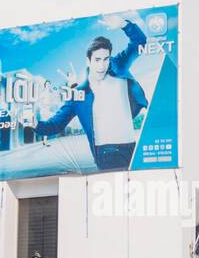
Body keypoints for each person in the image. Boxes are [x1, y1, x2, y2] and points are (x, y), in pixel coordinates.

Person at [34, 16, 148, 171]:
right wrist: (34, 124)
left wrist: (124, 24)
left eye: (105, 59)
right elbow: (55, 125)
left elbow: (140, 42)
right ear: (88, 61)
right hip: (107, 153)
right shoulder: (79, 94)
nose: (102, 65)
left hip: (131, 146)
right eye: (97, 60)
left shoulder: (118, 64)